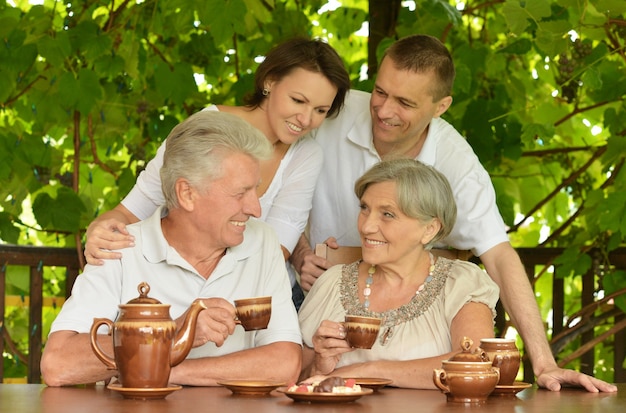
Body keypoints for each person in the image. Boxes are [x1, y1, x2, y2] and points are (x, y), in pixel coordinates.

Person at [290, 34, 617, 392]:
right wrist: (300, 250)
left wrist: (543, 361)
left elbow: (499, 256)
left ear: (441, 106)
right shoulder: (332, 109)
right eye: (380, 92)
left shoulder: (458, 165)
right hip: (315, 291)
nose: (383, 110)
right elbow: (274, 178)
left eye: (404, 102)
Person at [83, 37, 351, 309]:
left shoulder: (306, 155)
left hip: (259, 300)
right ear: (269, 81)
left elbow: (275, 250)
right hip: (177, 291)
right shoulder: (205, 126)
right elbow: (130, 211)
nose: (306, 120)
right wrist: (101, 230)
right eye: (298, 100)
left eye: (320, 110)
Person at [41, 111, 302, 387]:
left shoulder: (262, 241)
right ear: (186, 193)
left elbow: (285, 363)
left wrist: (162, 371)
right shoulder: (121, 247)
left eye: (256, 190)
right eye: (240, 194)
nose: (255, 209)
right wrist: (176, 332)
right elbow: (58, 364)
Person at [298, 159, 500, 388]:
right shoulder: (332, 283)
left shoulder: (461, 284)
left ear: (429, 229)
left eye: (387, 214)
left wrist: (367, 371)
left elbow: (475, 366)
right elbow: (297, 383)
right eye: (364, 208)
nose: (366, 227)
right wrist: (319, 365)